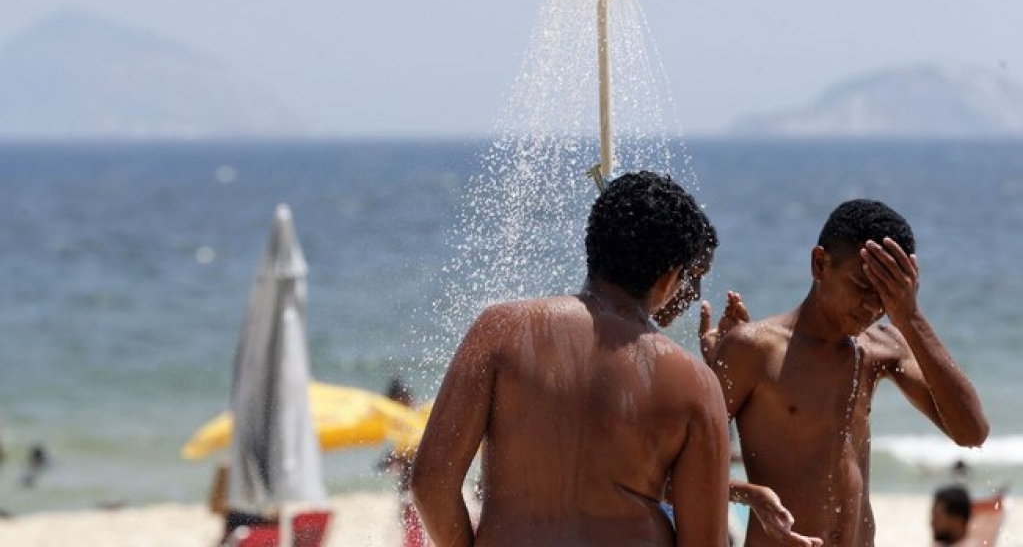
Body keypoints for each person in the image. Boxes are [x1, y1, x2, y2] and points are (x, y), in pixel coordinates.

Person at [412, 171, 732, 547]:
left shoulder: (501, 329)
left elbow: (430, 481)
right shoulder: (696, 384)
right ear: (669, 278)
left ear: (593, 245)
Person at [699, 199, 990, 546]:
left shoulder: (880, 348)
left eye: (885, 294)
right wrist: (749, 495)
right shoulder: (755, 349)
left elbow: (971, 432)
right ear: (820, 264)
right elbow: (682, 471)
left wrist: (909, 317)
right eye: (861, 286)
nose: (873, 306)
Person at [378, 376, 430, 547]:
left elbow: (411, 449)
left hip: (413, 490)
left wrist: (394, 459)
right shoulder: (421, 415)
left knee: (414, 536)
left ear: (398, 398)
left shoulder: (414, 418)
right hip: (423, 489)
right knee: (422, 534)